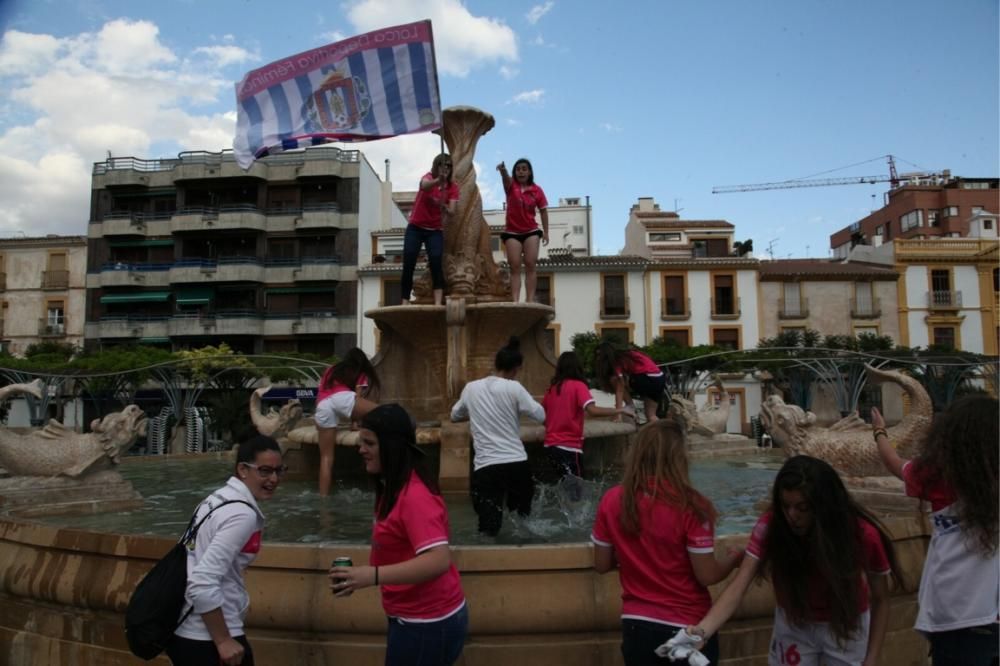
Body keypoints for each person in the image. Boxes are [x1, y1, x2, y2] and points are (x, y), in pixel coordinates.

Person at [681, 455, 900, 666]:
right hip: (795, 622)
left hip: (845, 623)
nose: (792, 516)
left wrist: (871, 659)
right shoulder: (771, 526)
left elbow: (881, 598)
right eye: (785, 506)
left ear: (824, 506)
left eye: (802, 508)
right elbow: (739, 586)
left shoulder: (862, 535)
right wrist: (702, 632)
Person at [591, 419, 743, 666]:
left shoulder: (611, 500)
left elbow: (601, 563)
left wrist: (636, 555)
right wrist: (734, 558)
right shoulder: (693, 505)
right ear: (679, 457)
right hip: (688, 629)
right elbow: (706, 575)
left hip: (635, 626)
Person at [328, 404, 468, 666]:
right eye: (361, 442)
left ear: (391, 446)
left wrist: (371, 575)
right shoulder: (393, 487)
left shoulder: (414, 496)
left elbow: (438, 560)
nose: (361, 449)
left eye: (369, 443)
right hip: (416, 619)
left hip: (426, 623)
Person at [872, 396, 998, 666]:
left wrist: (879, 431)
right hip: (990, 614)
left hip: (952, 615)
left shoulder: (936, 477)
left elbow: (892, 461)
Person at [167, 435, 285, 666]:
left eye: (279, 471)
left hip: (187, 631)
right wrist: (223, 641)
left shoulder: (216, 499)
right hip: (209, 638)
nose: (273, 479)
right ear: (242, 469)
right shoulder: (242, 514)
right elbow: (201, 581)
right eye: (264, 471)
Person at [450, 336, 545, 536]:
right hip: (516, 464)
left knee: (488, 527)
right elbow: (540, 415)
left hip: (486, 468)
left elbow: (454, 415)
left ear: (497, 364)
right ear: (516, 368)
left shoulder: (471, 388)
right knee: (523, 523)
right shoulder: (515, 388)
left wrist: (475, 411)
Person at [542, 351, 629, 497]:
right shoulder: (578, 386)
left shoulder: (552, 389)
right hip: (569, 448)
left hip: (551, 448)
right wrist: (621, 410)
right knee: (577, 494)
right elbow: (593, 410)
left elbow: (542, 416)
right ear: (578, 367)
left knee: (565, 490)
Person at [315, 348, 380, 496]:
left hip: (322, 404)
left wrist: (319, 423)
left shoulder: (331, 369)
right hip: (342, 398)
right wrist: (355, 423)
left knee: (326, 458)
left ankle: (323, 498)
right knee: (388, 412)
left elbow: (321, 393)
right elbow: (355, 397)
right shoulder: (358, 370)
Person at [402, 153, 459, 305]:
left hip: (435, 230)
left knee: (435, 261)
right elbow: (424, 185)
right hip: (415, 227)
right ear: (436, 166)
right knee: (409, 262)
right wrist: (437, 181)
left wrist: (445, 206)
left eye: (448, 166)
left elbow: (452, 211)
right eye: (442, 165)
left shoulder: (452, 187)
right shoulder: (428, 177)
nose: (445, 168)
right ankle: (405, 300)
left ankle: (438, 302)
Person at [496, 158, 549, 303]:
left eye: (524, 169)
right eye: (518, 169)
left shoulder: (537, 190)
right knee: (514, 266)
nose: (521, 171)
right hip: (512, 232)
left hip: (531, 231)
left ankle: (530, 300)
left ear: (530, 172)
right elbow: (506, 179)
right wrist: (503, 171)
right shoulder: (511, 185)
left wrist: (546, 232)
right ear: (514, 172)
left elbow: (543, 211)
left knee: (531, 264)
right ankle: (515, 300)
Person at [594, 342, 666, 424]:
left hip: (648, 378)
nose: (598, 358)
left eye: (599, 355)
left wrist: (618, 414)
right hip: (660, 378)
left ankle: (630, 406)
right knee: (651, 415)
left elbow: (620, 390)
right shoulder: (628, 354)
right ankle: (661, 433)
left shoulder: (617, 362)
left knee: (614, 380)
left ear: (606, 355)